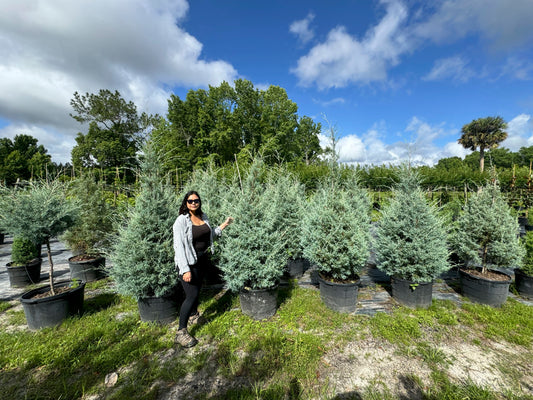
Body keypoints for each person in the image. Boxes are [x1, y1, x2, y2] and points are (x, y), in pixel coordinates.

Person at [173, 190, 233, 347]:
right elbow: (179, 246)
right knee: (191, 295)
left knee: (197, 291)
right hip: (188, 262)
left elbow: (209, 234)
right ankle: (181, 332)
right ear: (185, 203)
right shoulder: (181, 221)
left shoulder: (203, 216)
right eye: (190, 201)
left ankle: (193, 315)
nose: (193, 203)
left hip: (202, 260)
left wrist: (224, 225)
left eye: (196, 200)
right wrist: (185, 269)